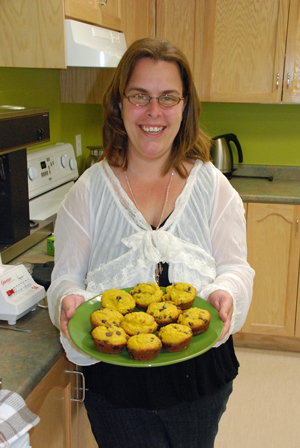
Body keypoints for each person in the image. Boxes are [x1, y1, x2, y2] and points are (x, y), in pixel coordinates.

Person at [47, 37, 254, 448]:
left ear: (185, 105)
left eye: (168, 97)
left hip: (200, 378)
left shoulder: (214, 188)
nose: (154, 112)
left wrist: (228, 292)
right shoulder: (88, 192)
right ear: (119, 103)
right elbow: (65, 280)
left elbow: (236, 268)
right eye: (139, 96)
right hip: (117, 387)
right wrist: (66, 302)